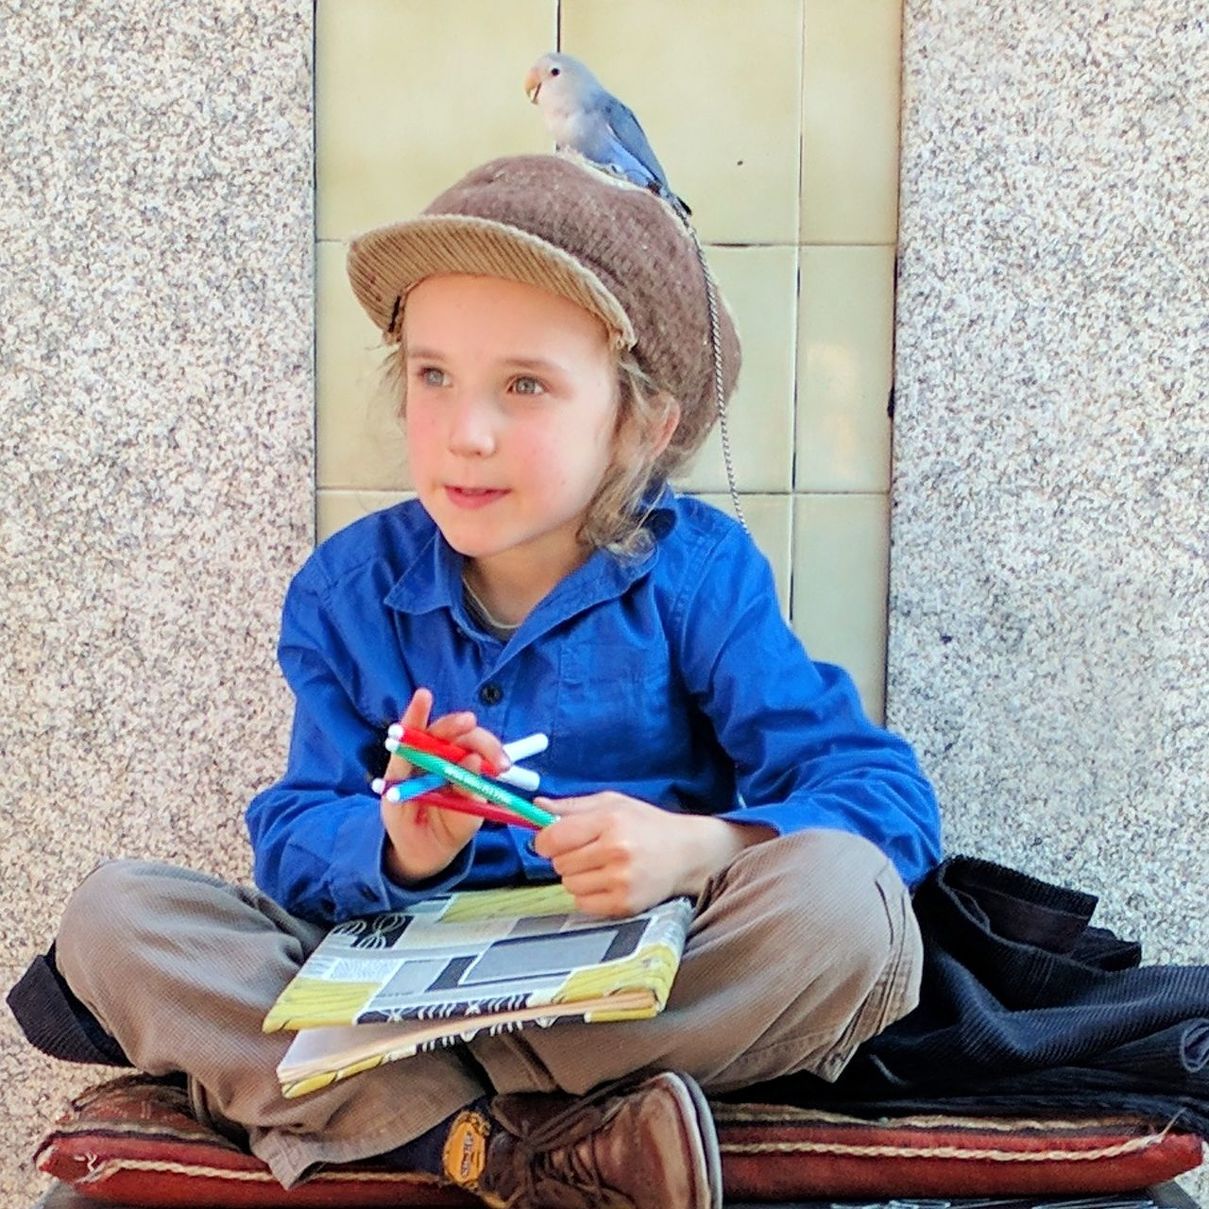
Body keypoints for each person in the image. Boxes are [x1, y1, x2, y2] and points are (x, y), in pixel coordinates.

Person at [41, 154, 942, 1209]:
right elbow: (291, 836)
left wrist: (699, 846)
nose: (466, 432)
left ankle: (427, 1130)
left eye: (526, 385)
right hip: (400, 988)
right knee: (114, 919)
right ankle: (539, 1145)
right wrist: (400, 849)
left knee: (847, 901)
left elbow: (886, 800)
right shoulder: (347, 592)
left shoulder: (698, 574)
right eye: (434, 376)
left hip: (637, 986)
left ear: (640, 426)